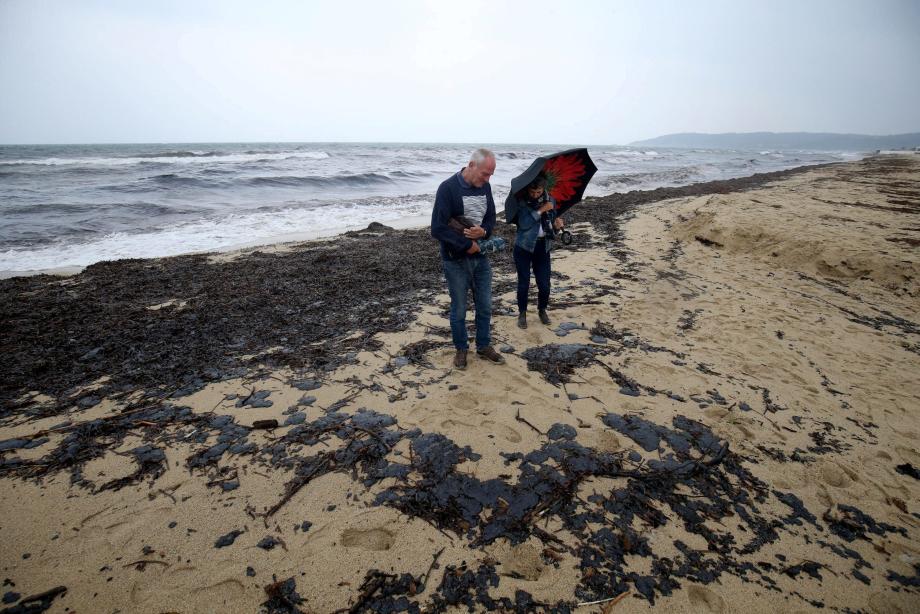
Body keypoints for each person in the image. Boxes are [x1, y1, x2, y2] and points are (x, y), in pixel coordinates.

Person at [431, 148, 505, 369]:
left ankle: (483, 345)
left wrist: (484, 233)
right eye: (485, 174)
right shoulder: (448, 188)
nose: (488, 179)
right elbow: (437, 228)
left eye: (491, 174)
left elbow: (491, 218)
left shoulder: (486, 187)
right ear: (471, 165)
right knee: (459, 309)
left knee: (484, 306)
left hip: (481, 258)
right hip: (455, 261)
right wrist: (467, 245)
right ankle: (461, 349)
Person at [510, 173, 564, 329]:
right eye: (532, 192)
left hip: (543, 247)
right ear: (528, 190)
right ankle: (522, 313)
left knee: (544, 284)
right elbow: (525, 223)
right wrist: (541, 210)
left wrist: (557, 225)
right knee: (524, 283)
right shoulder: (521, 202)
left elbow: (551, 224)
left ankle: (542, 310)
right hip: (523, 248)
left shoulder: (551, 200)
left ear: (543, 189)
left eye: (538, 192)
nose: (534, 195)